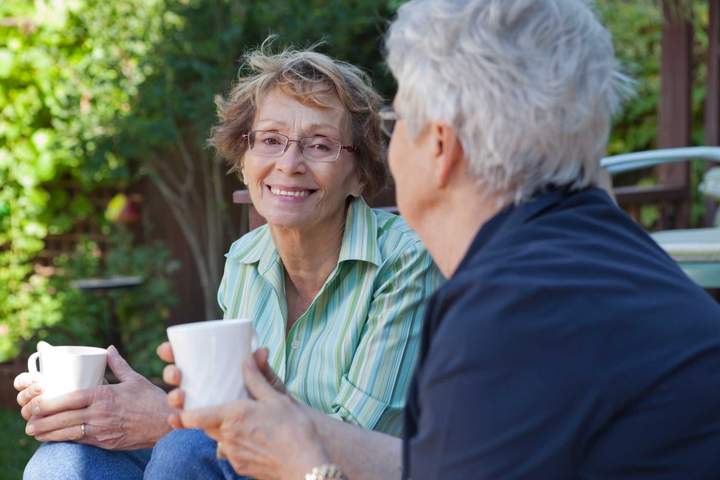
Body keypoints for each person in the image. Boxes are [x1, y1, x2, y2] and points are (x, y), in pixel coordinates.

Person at [173, 0, 720, 478]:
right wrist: (290, 423)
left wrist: (307, 470)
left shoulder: (506, 311)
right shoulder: (596, 251)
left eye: (400, 118)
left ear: (440, 146)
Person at [15, 46, 442, 479]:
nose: (289, 164)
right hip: (250, 463)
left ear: (358, 173)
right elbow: (227, 409)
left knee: (186, 448)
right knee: (62, 462)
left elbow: (356, 440)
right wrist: (117, 412)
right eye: (271, 140)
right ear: (244, 161)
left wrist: (169, 417)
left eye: (320, 145)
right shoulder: (245, 261)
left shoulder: (405, 261)